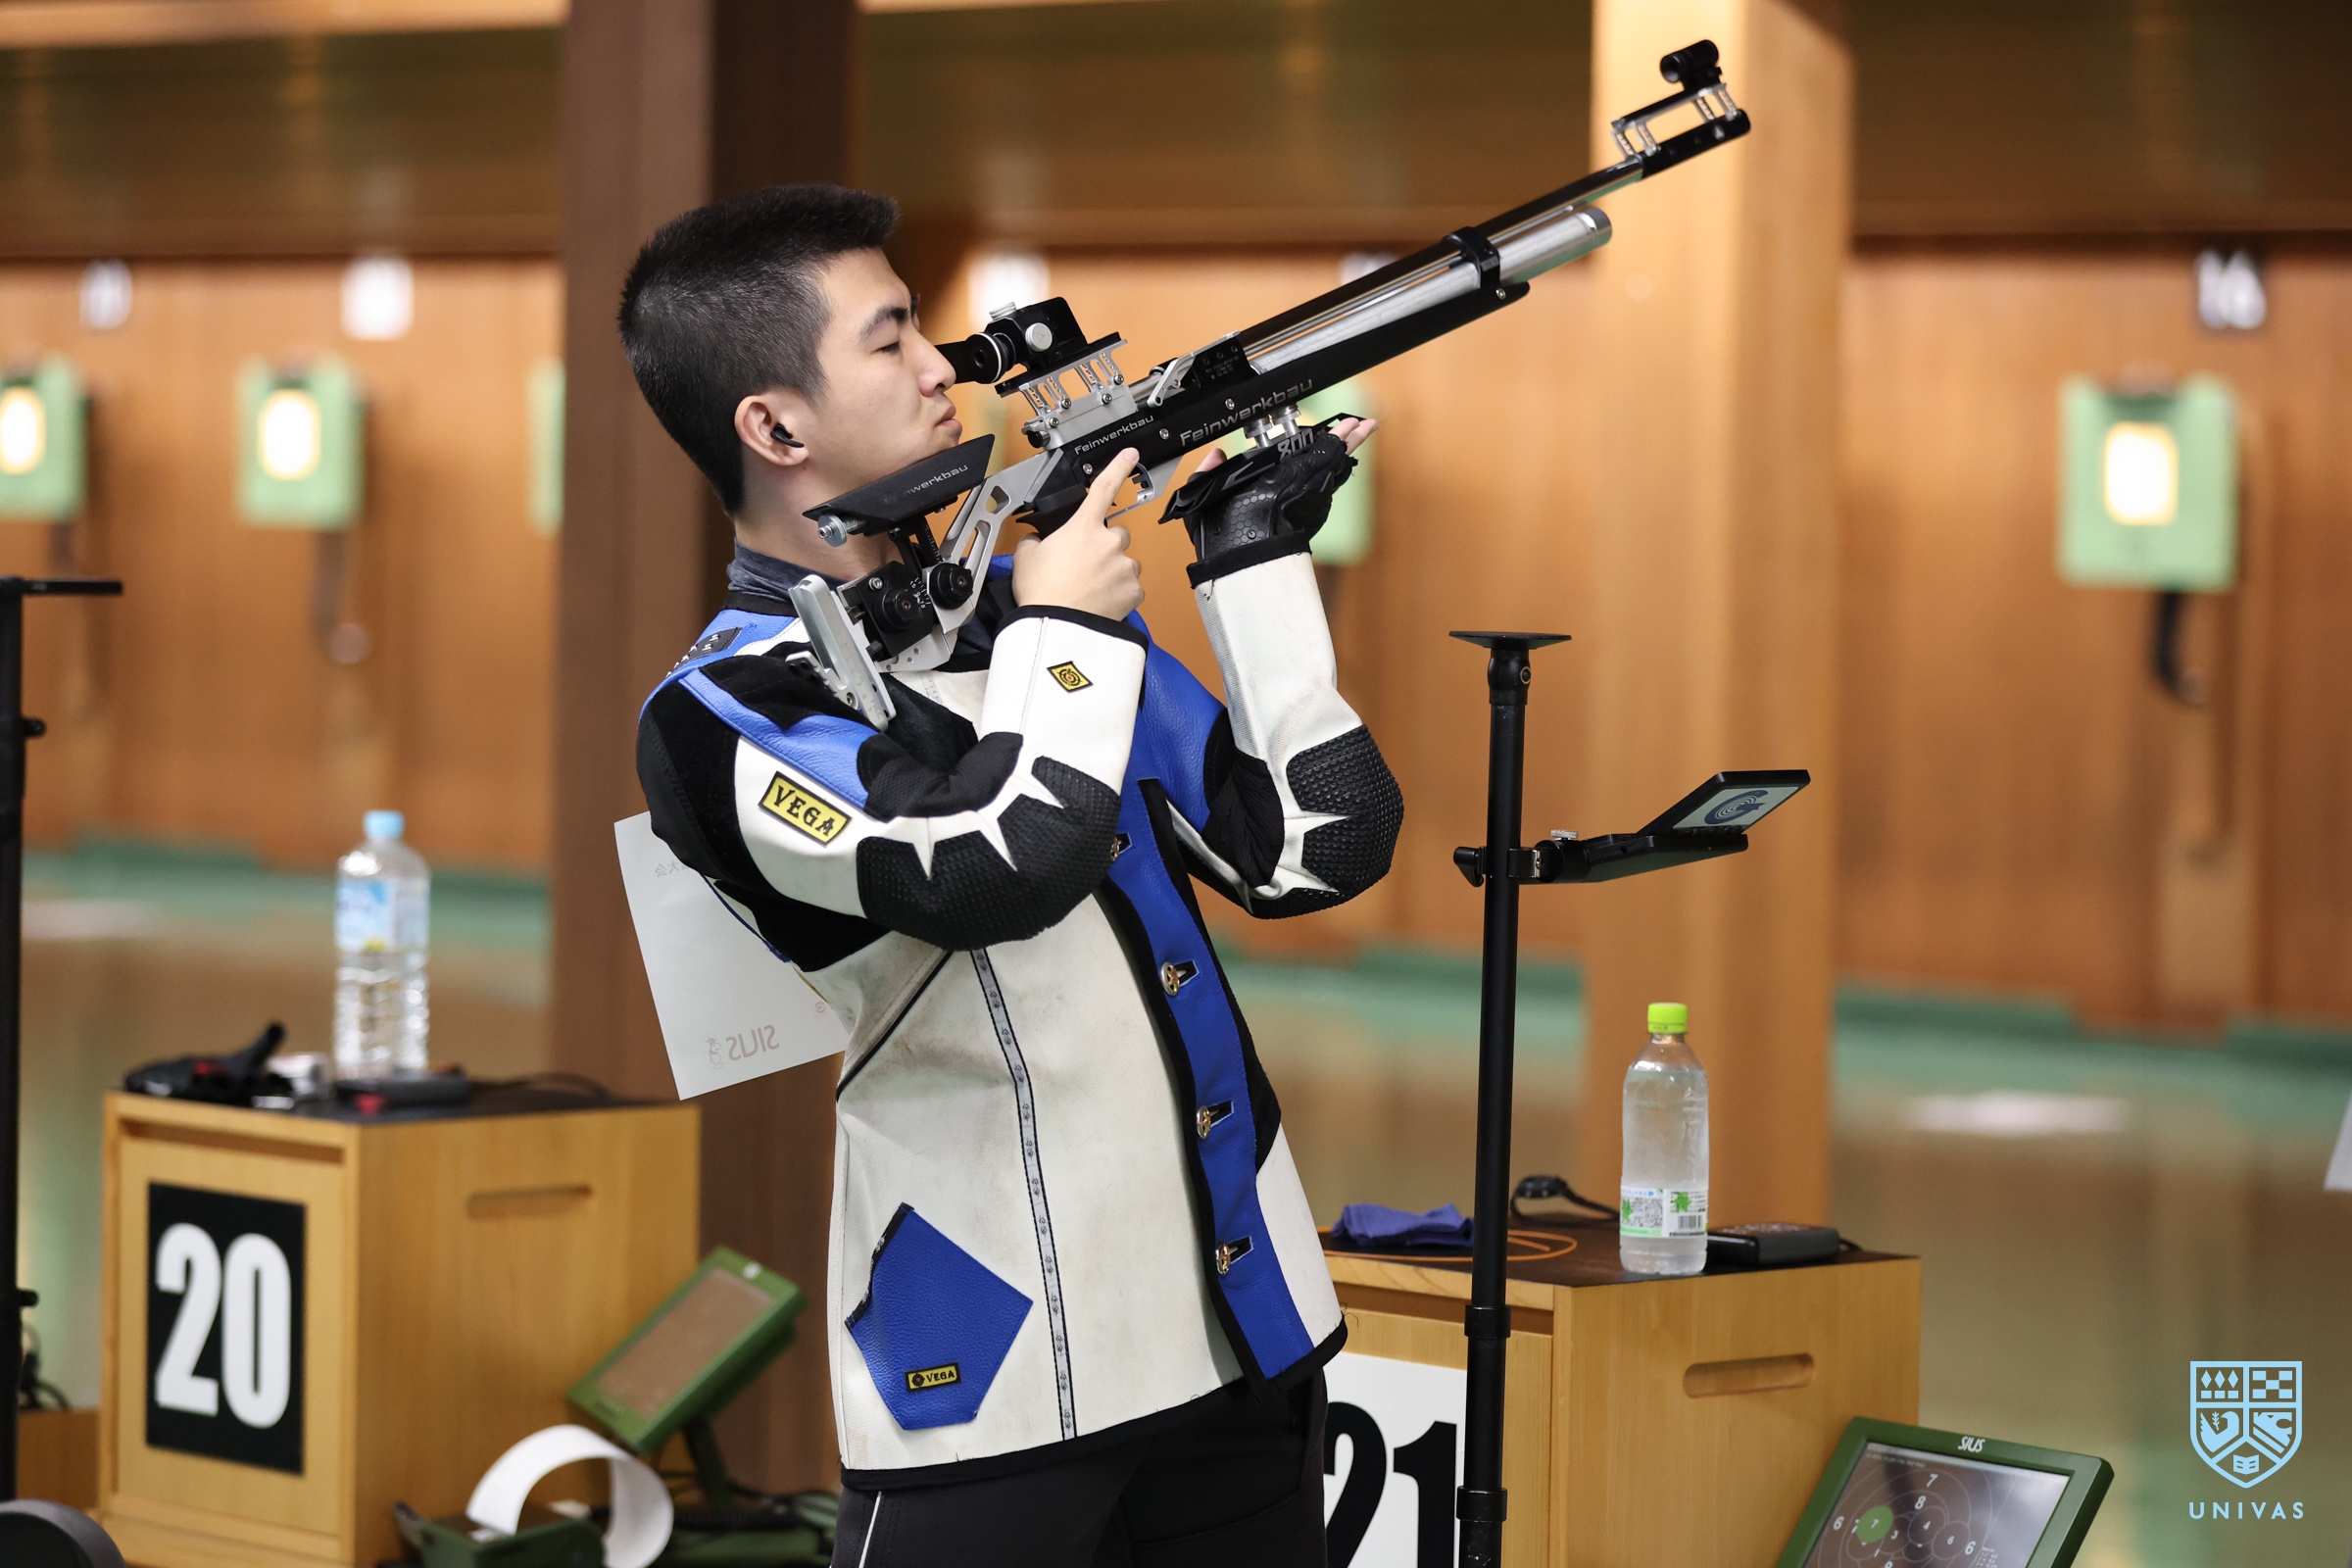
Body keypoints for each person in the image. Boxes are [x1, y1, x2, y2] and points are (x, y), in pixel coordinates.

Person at [622, 183, 1401, 1568]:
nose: (943, 369)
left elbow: (1310, 847)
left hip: (1230, 1329)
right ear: (775, 428)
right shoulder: (722, 714)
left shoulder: (1020, 623)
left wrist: (1253, 556)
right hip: (990, 1367)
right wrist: (1066, 636)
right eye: (890, 339)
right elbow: (995, 865)